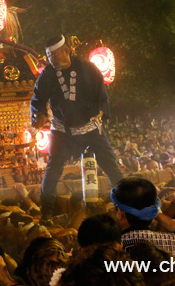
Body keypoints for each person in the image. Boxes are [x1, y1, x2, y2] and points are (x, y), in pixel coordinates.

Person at [30, 35, 124, 216]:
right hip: (62, 130)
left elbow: (102, 95)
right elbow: (38, 98)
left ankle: (125, 204)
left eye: (55, 55)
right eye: (49, 56)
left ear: (66, 51)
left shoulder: (88, 69)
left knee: (110, 165)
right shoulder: (48, 74)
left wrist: (100, 112)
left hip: (89, 127)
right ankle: (47, 211)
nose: (52, 59)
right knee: (53, 169)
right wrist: (39, 114)